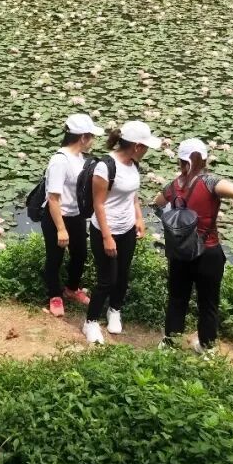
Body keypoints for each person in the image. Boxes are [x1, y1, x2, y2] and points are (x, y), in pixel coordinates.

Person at [153, 138, 233, 354]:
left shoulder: (173, 186)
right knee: (208, 302)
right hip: (208, 251)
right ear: (205, 160)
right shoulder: (210, 182)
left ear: (180, 161)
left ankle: (170, 343)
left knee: (177, 298)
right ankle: (207, 348)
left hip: (180, 253)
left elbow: (157, 202)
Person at [82, 121, 161, 345]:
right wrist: (107, 237)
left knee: (123, 275)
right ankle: (90, 321)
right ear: (137, 146)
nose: (147, 151)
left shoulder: (134, 165)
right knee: (106, 280)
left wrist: (138, 218)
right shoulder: (105, 167)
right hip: (105, 229)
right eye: (146, 147)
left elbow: (132, 195)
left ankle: (114, 309)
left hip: (127, 228)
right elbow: (98, 204)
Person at [42, 114, 103, 317]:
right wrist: (61, 229)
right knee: (55, 257)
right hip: (57, 216)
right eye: (91, 136)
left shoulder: (80, 158)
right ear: (83, 137)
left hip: (76, 215)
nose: (93, 141)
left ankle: (71, 289)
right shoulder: (60, 160)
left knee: (80, 254)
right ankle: (54, 295)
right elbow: (53, 198)